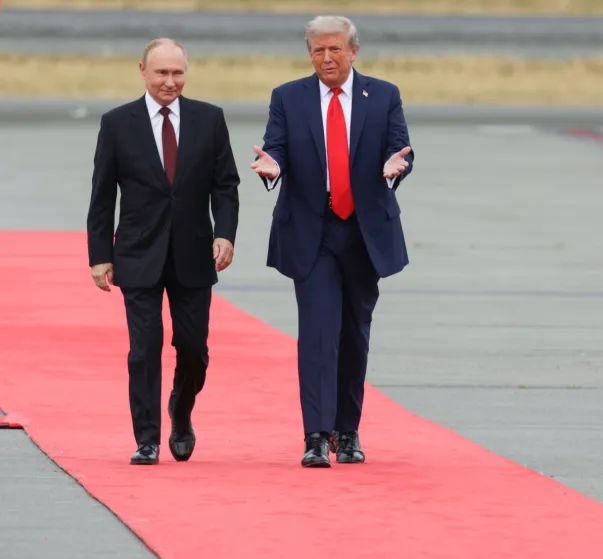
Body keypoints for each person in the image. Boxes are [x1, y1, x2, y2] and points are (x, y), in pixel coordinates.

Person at [251, 15, 414, 468]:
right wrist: (273, 168)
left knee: (354, 334)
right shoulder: (288, 96)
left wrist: (396, 166)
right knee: (318, 332)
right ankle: (316, 435)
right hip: (313, 228)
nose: (327, 58)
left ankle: (348, 430)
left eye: (335, 49)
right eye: (318, 50)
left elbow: (400, 147)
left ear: (354, 51)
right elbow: (275, 148)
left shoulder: (382, 95)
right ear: (310, 54)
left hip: (364, 231)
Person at [86, 38, 241, 466]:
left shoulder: (209, 120)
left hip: (194, 254)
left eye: (177, 73)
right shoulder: (117, 123)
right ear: (142, 71)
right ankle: (147, 438)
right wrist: (100, 254)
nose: (170, 82)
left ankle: (182, 409)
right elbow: (102, 196)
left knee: (193, 349)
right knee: (144, 349)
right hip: (138, 254)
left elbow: (226, 185)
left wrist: (224, 233)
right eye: (161, 73)